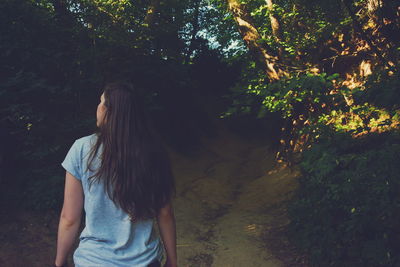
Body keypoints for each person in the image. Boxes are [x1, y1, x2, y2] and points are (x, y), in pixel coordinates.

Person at [53, 82, 177, 267]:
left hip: (93, 261)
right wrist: (173, 261)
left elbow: (69, 218)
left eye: (101, 102)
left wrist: (59, 262)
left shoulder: (81, 149)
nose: (98, 107)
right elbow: (165, 212)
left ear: (110, 112)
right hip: (145, 260)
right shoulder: (153, 152)